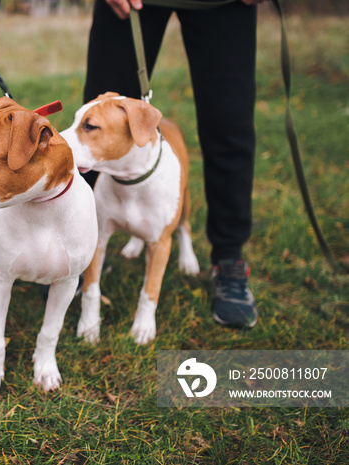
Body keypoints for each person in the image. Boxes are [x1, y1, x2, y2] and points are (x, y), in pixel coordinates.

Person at [83, 0, 270, 328]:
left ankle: (229, 259)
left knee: (229, 124)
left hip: (225, 6)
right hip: (132, 5)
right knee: (98, 119)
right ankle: (79, 254)